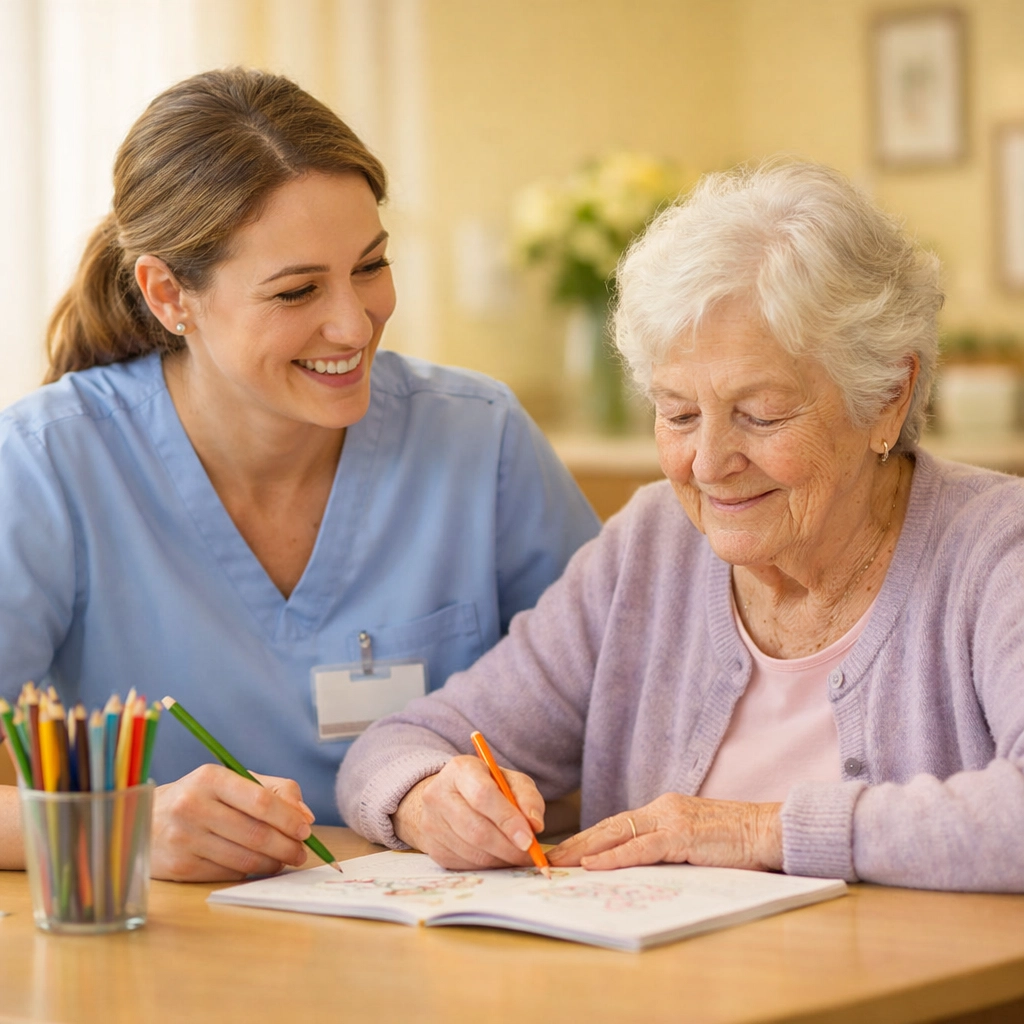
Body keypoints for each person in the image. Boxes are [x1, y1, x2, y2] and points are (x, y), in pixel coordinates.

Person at [339, 160, 1024, 892]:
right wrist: (426, 797)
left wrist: (755, 831)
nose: (707, 462)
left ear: (889, 396)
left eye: (760, 415)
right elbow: (395, 747)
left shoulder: (994, 551)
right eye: (679, 413)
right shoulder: (651, 546)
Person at [0, 68, 599, 880]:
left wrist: (485, 797)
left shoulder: (478, 437)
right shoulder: (47, 465)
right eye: (296, 291)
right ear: (170, 294)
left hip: (445, 946)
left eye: (371, 266)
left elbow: (624, 706)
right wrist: (123, 828)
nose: (353, 323)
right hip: (175, 958)